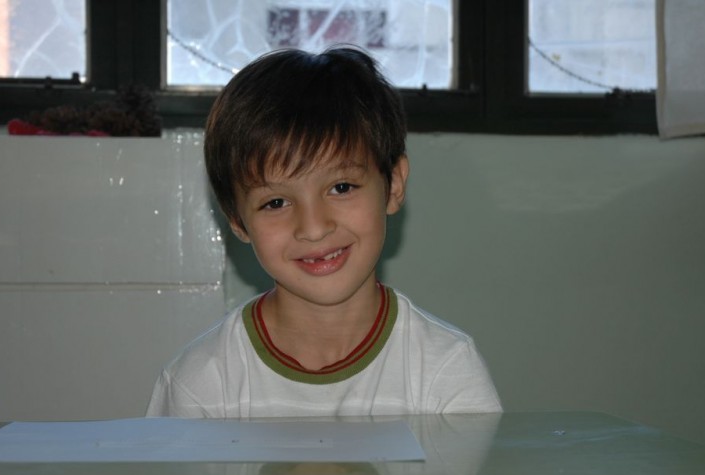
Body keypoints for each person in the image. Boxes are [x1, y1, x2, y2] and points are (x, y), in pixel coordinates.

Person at [146, 46, 501, 418]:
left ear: (394, 185)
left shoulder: (446, 373)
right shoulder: (200, 386)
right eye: (276, 202)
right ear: (237, 220)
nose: (314, 228)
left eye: (341, 187)